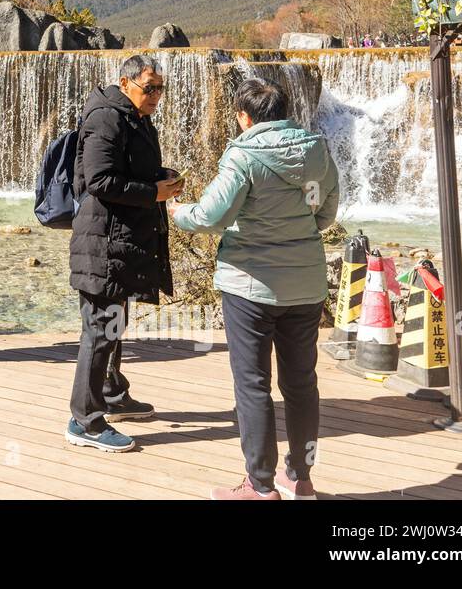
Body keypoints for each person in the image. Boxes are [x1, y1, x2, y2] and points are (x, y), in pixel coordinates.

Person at [169, 78, 339, 501]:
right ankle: (299, 478)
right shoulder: (316, 150)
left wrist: (178, 212)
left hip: (250, 287)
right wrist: (299, 234)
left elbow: (212, 216)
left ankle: (259, 487)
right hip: (306, 284)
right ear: (283, 111)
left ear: (244, 117)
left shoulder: (243, 156)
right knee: (302, 384)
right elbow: (327, 210)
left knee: (253, 385)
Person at [65, 55, 183, 453]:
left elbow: (126, 167)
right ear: (125, 82)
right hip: (101, 241)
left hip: (119, 240)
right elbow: (99, 180)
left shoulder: (132, 115)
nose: (155, 96)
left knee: (114, 321)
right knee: (99, 327)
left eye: (159, 89)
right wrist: (153, 193)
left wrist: (159, 177)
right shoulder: (106, 117)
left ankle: (112, 393)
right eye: (149, 88)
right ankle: (85, 421)